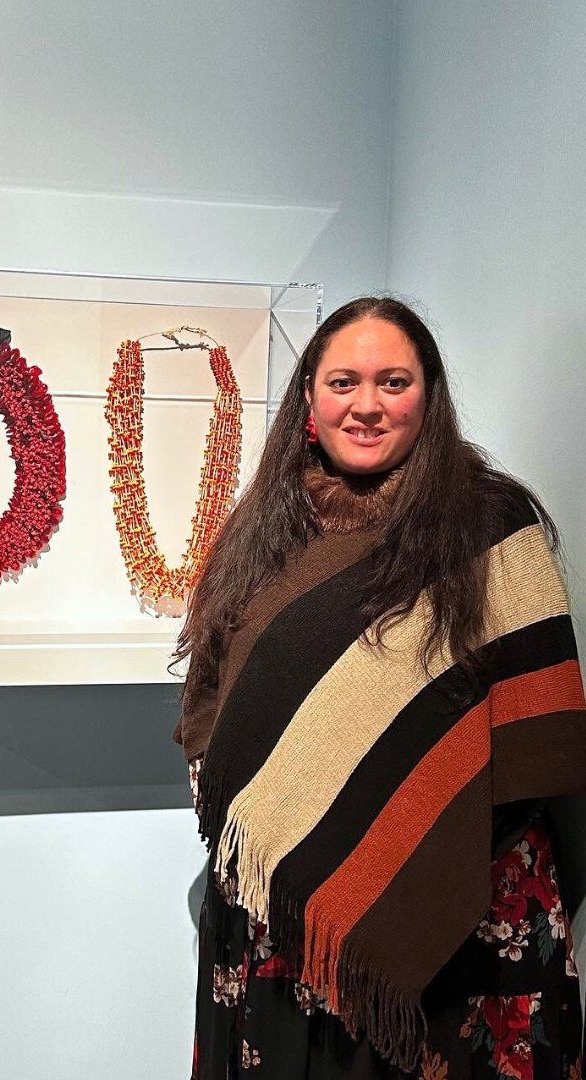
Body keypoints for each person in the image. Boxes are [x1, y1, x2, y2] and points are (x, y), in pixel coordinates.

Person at [174, 298, 586, 1079]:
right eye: (344, 381)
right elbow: (217, 696)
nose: (366, 405)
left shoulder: (492, 525)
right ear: (309, 398)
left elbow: (541, 728)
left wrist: (406, 855)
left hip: (458, 911)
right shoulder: (264, 527)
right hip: (283, 927)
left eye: (393, 381)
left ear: (428, 395)